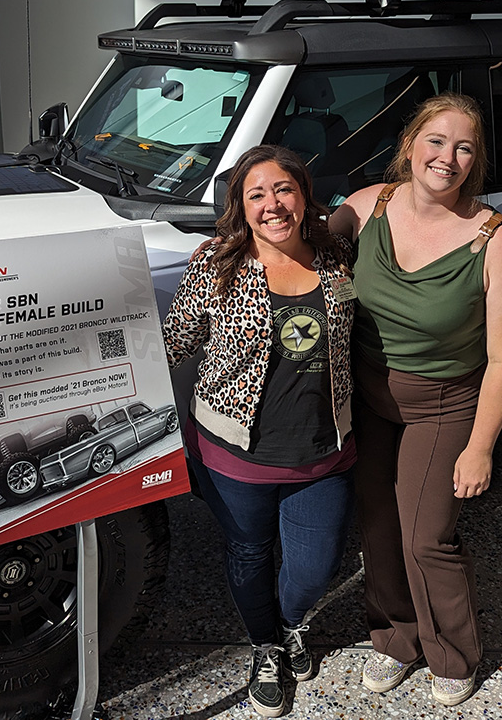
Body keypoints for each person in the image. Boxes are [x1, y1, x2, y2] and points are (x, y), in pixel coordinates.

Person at [328, 91, 502, 706]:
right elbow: (299, 252)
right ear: (410, 145)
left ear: (476, 161)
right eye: (436, 141)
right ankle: (395, 639)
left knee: (426, 538)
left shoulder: (496, 242)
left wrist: (481, 447)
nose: (447, 157)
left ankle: (453, 653)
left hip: (442, 406)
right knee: (378, 527)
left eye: (464, 148)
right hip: (368, 398)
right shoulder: (367, 206)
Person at [163, 144, 357, 718]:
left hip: (322, 449)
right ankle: (265, 645)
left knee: (316, 567)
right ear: (241, 207)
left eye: (284, 190)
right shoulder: (216, 264)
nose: (273, 205)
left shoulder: (336, 256)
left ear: (304, 196)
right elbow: (176, 341)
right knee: (248, 553)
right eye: (257, 195)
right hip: (233, 451)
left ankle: (291, 623)